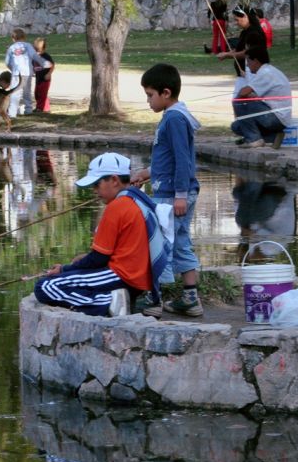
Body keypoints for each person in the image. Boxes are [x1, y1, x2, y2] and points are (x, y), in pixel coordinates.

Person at [33, 152, 169, 317]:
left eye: (97, 184)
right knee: (70, 276)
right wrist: (75, 265)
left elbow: (99, 258)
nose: (94, 190)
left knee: (45, 287)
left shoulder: (117, 206)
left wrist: (63, 268)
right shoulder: (136, 198)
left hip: (123, 275)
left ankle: (108, 303)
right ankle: (116, 298)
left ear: (114, 180)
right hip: (138, 280)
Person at [134, 63, 202, 317]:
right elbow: (168, 159)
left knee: (158, 244)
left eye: (150, 95)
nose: (148, 101)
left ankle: (154, 299)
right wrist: (146, 173)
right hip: (170, 192)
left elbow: (183, 159)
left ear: (165, 93)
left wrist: (181, 196)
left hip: (173, 195)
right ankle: (190, 297)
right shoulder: (173, 116)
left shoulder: (174, 118)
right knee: (180, 240)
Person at [231, 46, 291, 148]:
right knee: (236, 126)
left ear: (256, 61)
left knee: (239, 101)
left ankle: (254, 140)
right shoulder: (270, 70)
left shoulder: (265, 73)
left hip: (275, 117)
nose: (248, 67)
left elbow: (243, 93)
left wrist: (245, 98)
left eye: (248, 63)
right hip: (279, 117)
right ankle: (273, 137)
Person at [4, 27, 52, 118]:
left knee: (15, 93)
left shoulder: (11, 48)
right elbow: (34, 56)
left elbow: (7, 62)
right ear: (24, 37)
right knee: (27, 92)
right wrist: (43, 63)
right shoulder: (28, 46)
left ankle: (12, 113)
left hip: (16, 74)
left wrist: (12, 69)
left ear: (13, 38)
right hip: (26, 73)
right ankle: (28, 109)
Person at [216, 5, 265, 77]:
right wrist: (226, 53)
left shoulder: (254, 33)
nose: (236, 23)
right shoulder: (245, 32)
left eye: (237, 20)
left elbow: (246, 53)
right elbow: (239, 49)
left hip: (252, 74)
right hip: (243, 74)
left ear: (245, 16)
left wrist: (227, 55)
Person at [32, 37, 54, 112]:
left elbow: (52, 65)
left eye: (38, 50)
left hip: (45, 79)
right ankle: (46, 107)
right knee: (37, 94)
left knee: (42, 94)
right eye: (35, 50)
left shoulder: (46, 56)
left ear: (43, 49)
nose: (37, 52)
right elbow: (33, 65)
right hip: (38, 78)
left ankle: (39, 108)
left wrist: (49, 73)